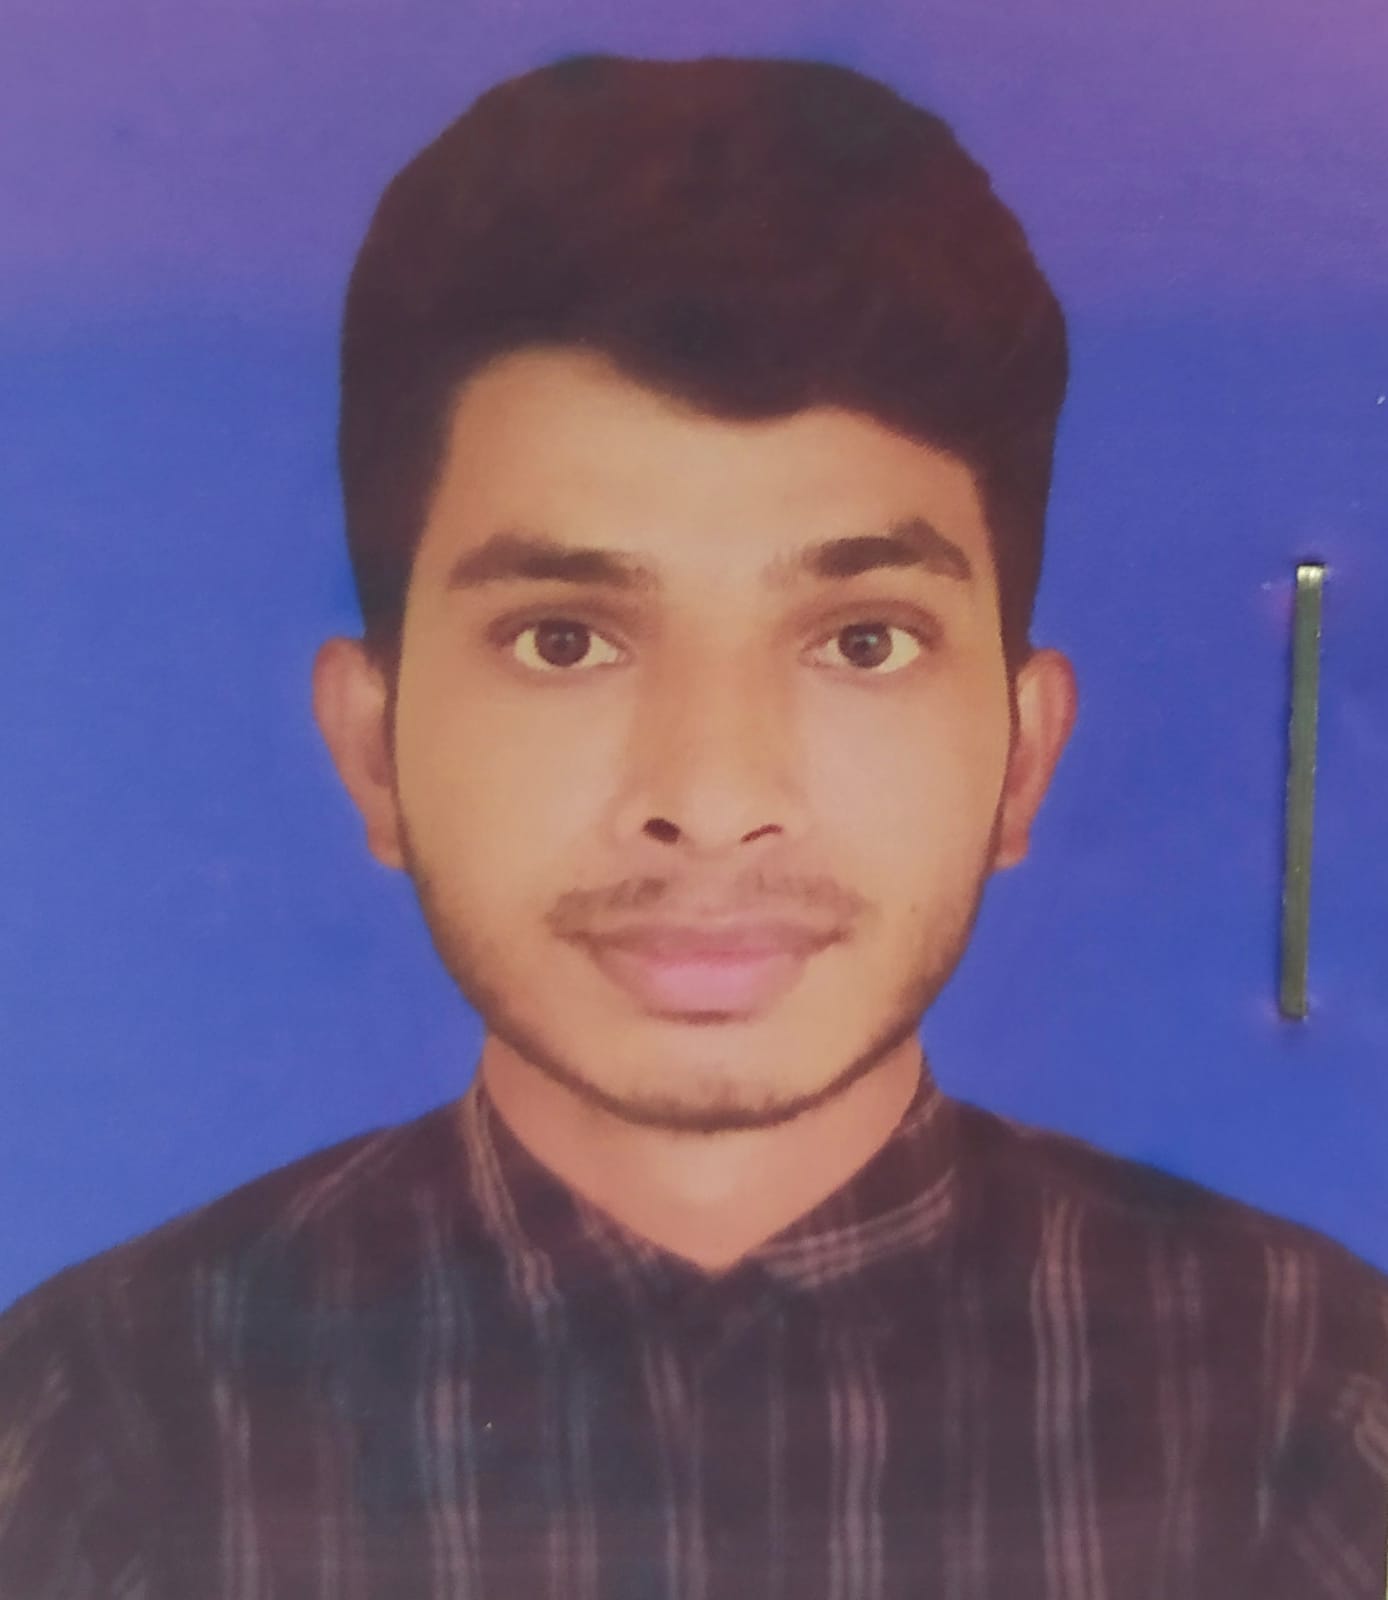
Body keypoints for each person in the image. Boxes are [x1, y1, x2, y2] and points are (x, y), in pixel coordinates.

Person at [1, 52, 1384, 1600]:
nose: (714, 800)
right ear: (373, 750)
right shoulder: (100, 1429)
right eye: (564, 640)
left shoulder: (1312, 1406)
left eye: (862, 640)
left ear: (1024, 756)